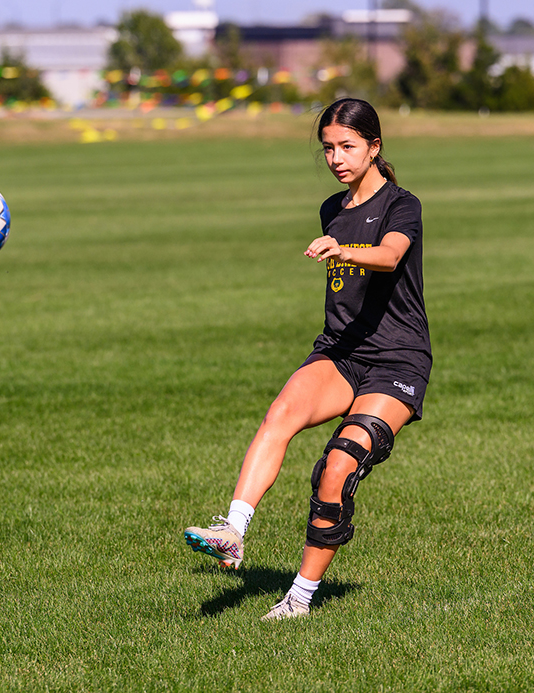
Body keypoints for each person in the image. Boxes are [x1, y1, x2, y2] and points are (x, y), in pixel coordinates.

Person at [184, 98, 432, 621]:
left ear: (374, 147)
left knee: (337, 465)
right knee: (279, 415)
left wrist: (342, 250)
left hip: (397, 360)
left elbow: (388, 256)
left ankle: (299, 598)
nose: (337, 158)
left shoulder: (400, 205)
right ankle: (233, 530)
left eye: (347, 146)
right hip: (341, 351)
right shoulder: (331, 209)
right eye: (328, 148)